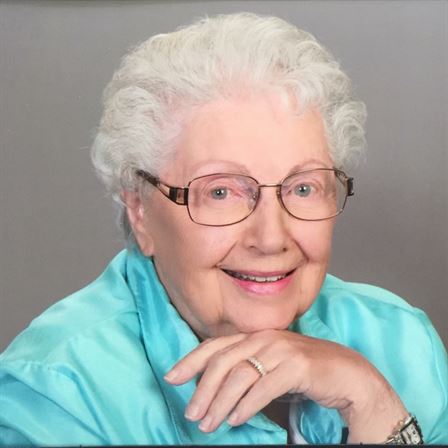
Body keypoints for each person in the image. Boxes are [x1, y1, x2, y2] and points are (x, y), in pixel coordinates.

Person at [0, 12, 447, 445]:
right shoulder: (57, 393)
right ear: (140, 211)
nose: (271, 239)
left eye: (303, 188)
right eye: (220, 192)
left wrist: (374, 404)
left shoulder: (401, 342)